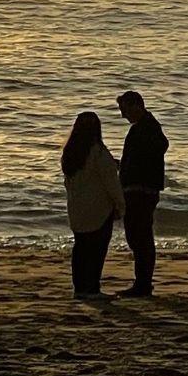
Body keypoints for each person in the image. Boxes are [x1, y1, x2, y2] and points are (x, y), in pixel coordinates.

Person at [60, 110, 125, 299]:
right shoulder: (98, 152)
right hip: (98, 209)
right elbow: (110, 182)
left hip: (77, 208)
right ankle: (92, 288)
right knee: (97, 250)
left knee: (80, 249)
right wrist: (120, 204)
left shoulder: (70, 153)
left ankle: (80, 288)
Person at [116, 89, 168, 297]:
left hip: (141, 190)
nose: (122, 115)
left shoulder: (147, 129)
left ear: (135, 105)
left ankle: (143, 284)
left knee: (140, 237)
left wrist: (129, 169)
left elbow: (155, 150)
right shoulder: (146, 127)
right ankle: (142, 282)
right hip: (140, 188)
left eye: (124, 109)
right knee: (138, 237)